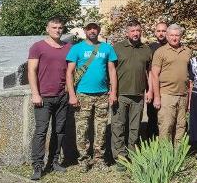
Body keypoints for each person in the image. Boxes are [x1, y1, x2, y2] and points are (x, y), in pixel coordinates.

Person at [66, 22, 118, 172]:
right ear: (84, 31)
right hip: (82, 95)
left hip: (102, 94)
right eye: (89, 28)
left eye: (95, 28)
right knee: (82, 129)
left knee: (101, 129)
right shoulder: (77, 49)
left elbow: (112, 71)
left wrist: (113, 92)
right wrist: (72, 95)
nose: (92, 31)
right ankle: (83, 160)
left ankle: (99, 159)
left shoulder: (107, 48)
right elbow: (69, 73)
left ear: (99, 30)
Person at [27, 17, 71, 180]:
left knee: (59, 131)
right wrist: (35, 93)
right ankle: (37, 165)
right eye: (54, 27)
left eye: (60, 28)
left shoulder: (68, 48)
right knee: (41, 131)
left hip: (62, 96)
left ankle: (54, 161)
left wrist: (68, 89)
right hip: (43, 97)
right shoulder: (37, 47)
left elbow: (70, 71)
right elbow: (31, 71)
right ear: (47, 29)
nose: (57, 30)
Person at [112, 19, 152, 167]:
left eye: (138, 31)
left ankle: (132, 155)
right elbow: (110, 71)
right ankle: (120, 159)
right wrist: (112, 92)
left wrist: (150, 91)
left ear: (141, 31)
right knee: (118, 127)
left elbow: (149, 72)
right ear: (127, 32)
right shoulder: (117, 48)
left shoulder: (146, 49)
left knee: (135, 128)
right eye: (132, 31)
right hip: (121, 94)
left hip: (138, 95)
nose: (135, 33)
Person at [151, 23, 193, 145]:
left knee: (181, 127)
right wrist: (157, 97)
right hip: (166, 95)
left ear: (181, 36)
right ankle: (166, 158)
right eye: (171, 35)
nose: (174, 38)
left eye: (177, 35)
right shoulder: (160, 52)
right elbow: (154, 74)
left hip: (183, 95)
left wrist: (189, 98)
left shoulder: (187, 51)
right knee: (166, 127)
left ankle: (178, 156)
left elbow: (190, 77)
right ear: (167, 36)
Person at [143, 21, 168, 139]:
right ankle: (151, 144)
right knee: (152, 117)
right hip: (153, 88)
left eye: (163, 31)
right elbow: (148, 71)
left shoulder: (172, 46)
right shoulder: (150, 48)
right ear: (155, 32)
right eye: (159, 31)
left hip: (168, 88)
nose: (161, 33)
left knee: (166, 118)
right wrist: (149, 90)